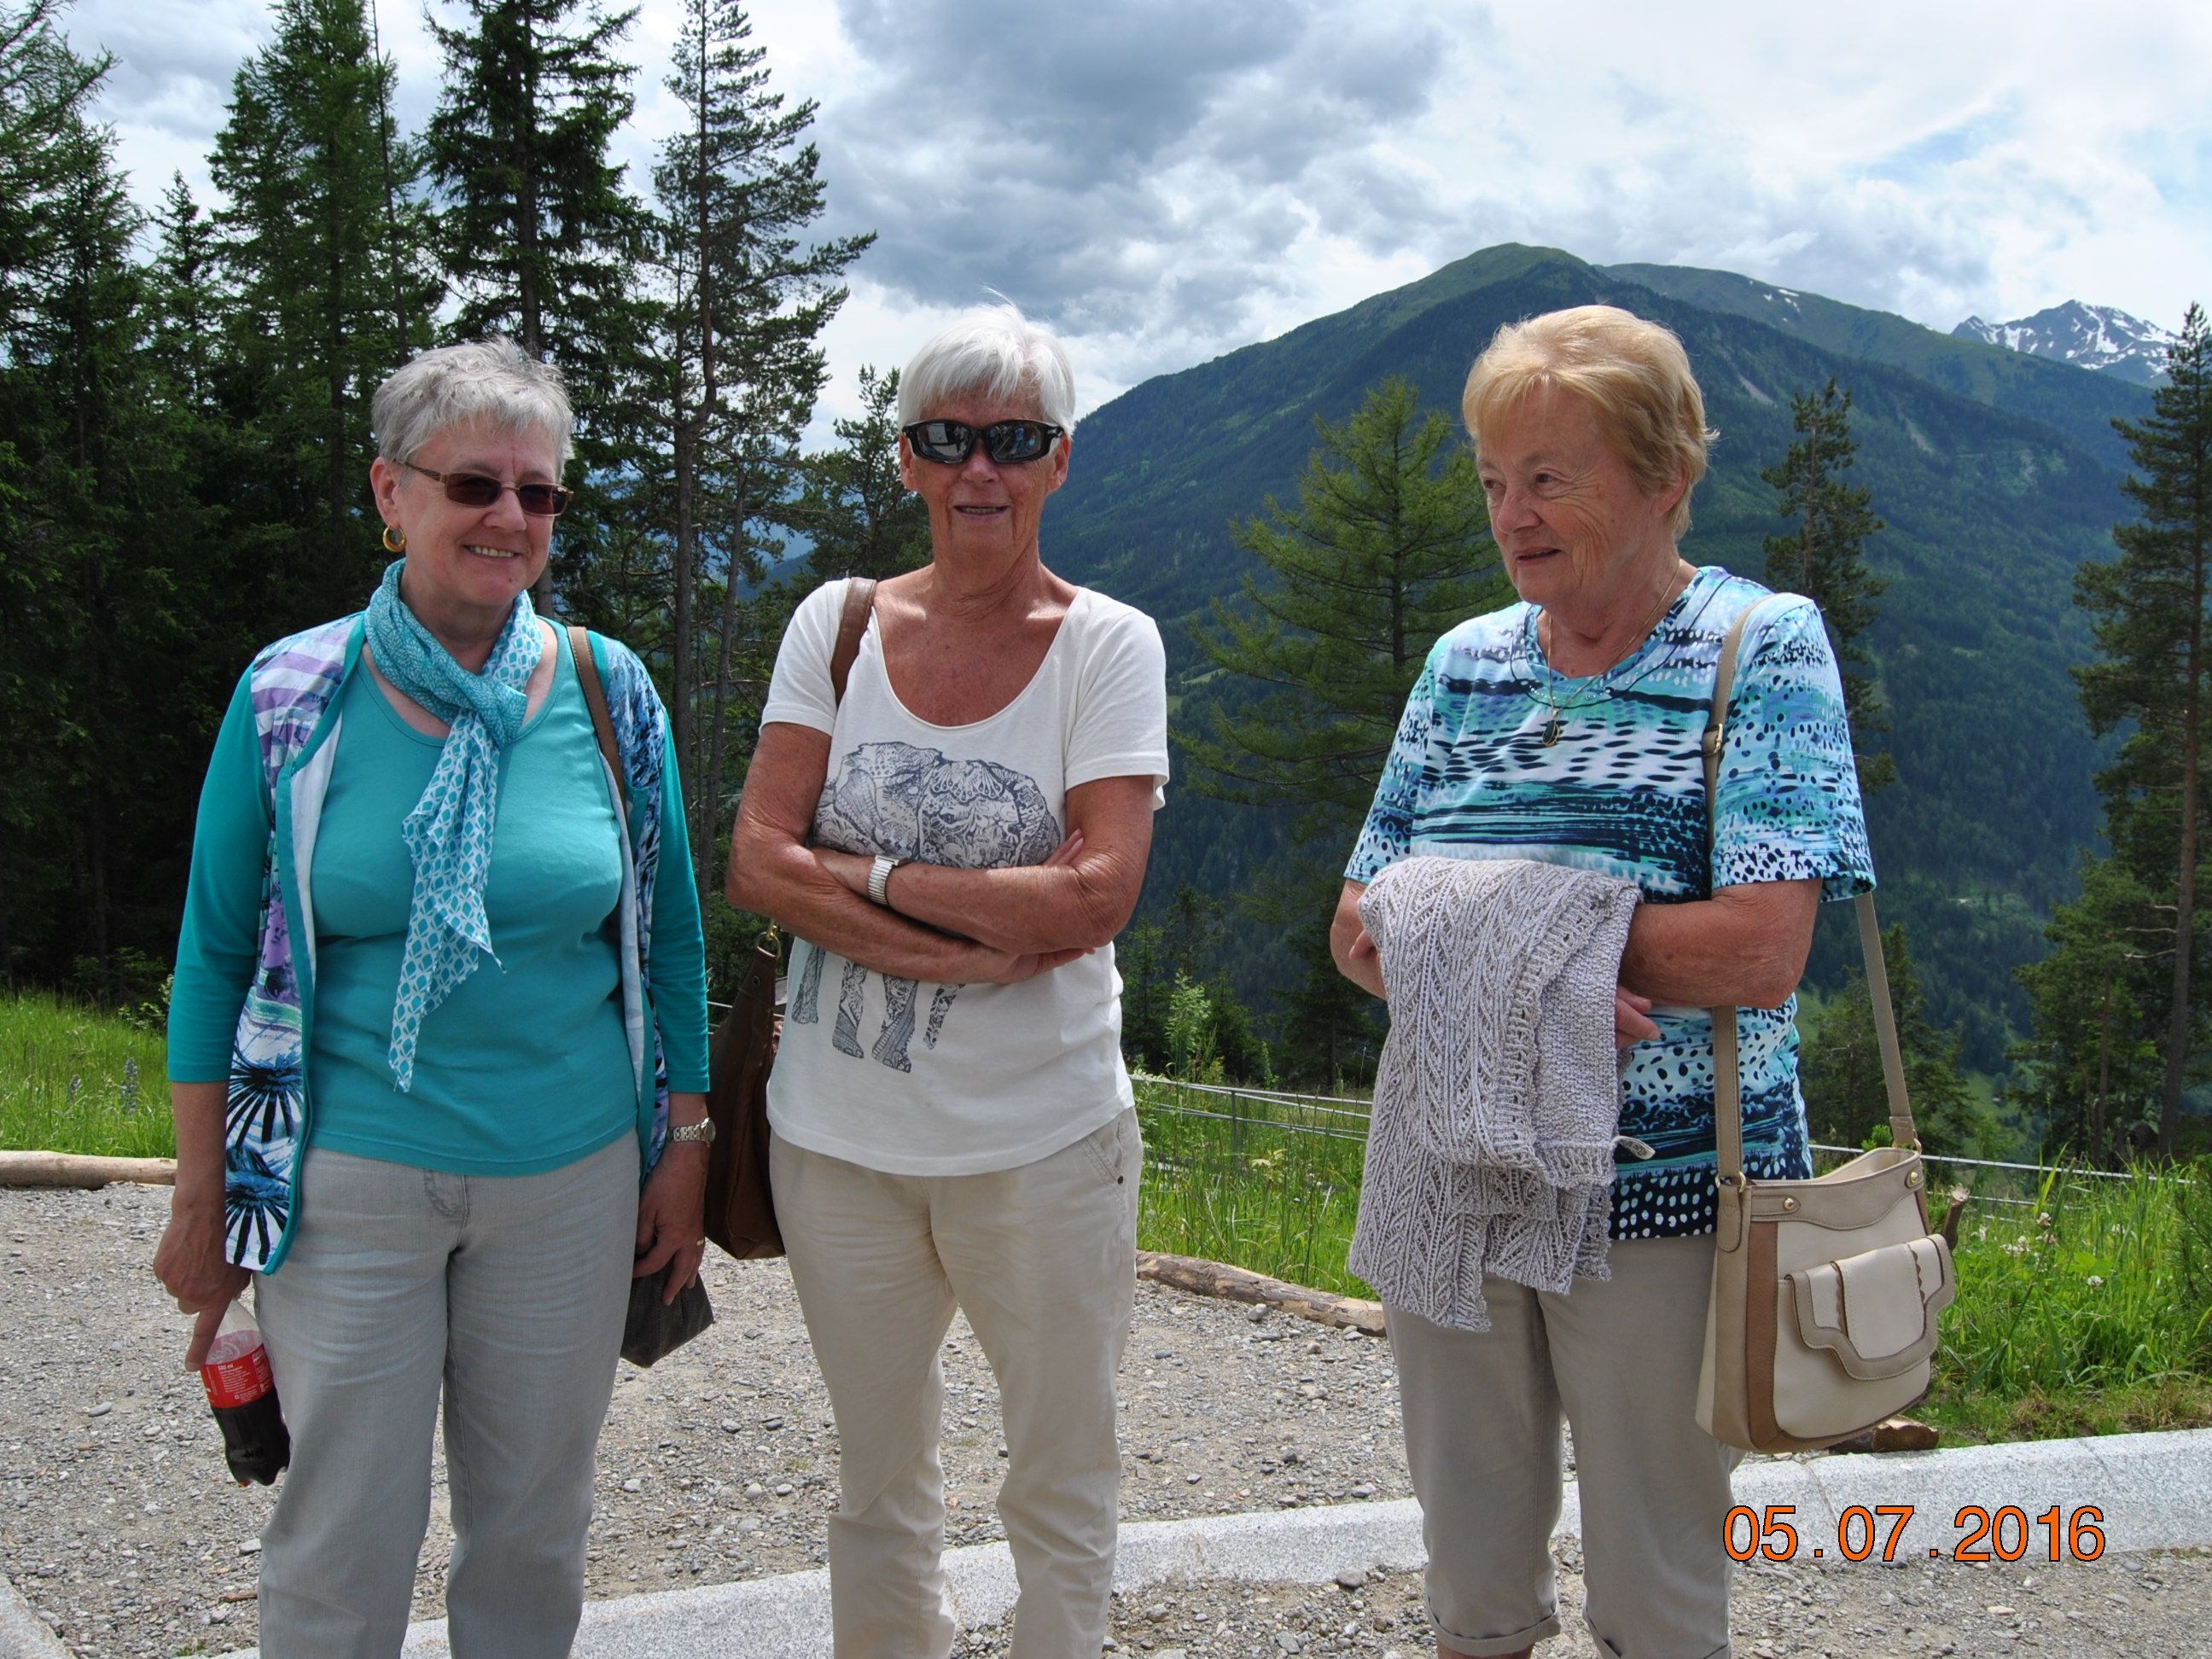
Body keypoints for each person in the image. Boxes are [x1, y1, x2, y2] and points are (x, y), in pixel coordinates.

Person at [153, 338, 713, 1657]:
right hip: (348, 1177)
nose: (510, 518)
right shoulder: (294, 694)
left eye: (541, 492)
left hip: (569, 1181)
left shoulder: (606, 688)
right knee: (342, 1537)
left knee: (532, 1529)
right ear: (389, 494)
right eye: (473, 484)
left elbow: (671, 938)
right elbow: (217, 953)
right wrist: (203, 1196)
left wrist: (682, 1148)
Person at [1330, 304, 1873, 1659]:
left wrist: (1507, 943)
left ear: (1665, 479)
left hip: (1667, 1190)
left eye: (1551, 479)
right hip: (1451, 1172)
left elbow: (1762, 948)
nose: (1512, 515)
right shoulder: (1464, 666)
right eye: (1494, 481)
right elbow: (1355, 923)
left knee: (1659, 1596)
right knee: (1473, 1596)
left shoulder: (1761, 647)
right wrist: (1555, 952)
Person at [726, 302, 1167, 1657]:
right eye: (950, 439)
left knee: (1059, 1484)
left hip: (1042, 1144)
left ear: (1058, 462)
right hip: (835, 1143)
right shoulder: (840, 622)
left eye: (1014, 440)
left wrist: (863, 881)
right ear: (909, 458)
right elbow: (754, 855)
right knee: (877, 1486)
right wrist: (973, 927)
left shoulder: (1109, 646)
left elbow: (1097, 894)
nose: (981, 470)